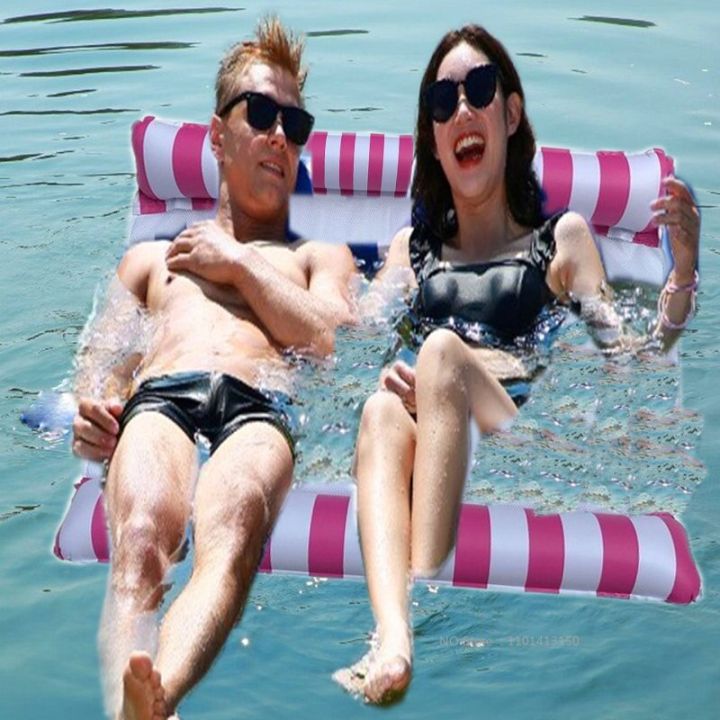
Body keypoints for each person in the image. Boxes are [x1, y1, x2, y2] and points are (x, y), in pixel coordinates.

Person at [334, 24, 700, 704]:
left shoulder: (560, 240)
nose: (462, 110)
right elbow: (351, 335)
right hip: (424, 416)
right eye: (442, 101)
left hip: (509, 424)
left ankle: (424, 588)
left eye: (479, 90)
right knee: (380, 409)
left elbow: (628, 355)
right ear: (433, 138)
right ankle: (395, 641)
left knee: (441, 352)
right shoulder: (410, 250)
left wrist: (682, 274)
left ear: (510, 114)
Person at [71, 17, 357, 720]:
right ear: (216, 135)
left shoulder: (317, 258)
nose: (280, 136)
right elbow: (103, 354)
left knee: (231, 531)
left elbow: (330, 339)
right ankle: (139, 710)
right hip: (160, 398)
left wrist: (240, 265)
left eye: (295, 123)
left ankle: (151, 701)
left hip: (261, 404)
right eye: (260, 114)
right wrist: (93, 403)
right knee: (142, 538)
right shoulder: (150, 260)